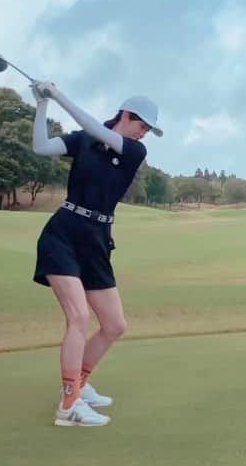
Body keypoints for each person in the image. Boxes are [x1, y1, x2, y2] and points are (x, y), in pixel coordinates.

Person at [31, 80, 163, 428]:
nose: (144, 134)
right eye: (142, 125)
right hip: (63, 233)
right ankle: (69, 405)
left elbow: (94, 127)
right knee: (78, 318)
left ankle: (80, 382)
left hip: (97, 239)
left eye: (148, 130)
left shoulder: (134, 151)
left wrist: (57, 94)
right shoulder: (84, 140)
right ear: (126, 115)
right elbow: (41, 146)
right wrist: (42, 103)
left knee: (114, 325)